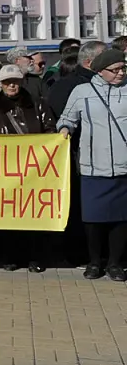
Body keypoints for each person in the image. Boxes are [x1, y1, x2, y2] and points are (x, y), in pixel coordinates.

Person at [59, 49, 127, 281]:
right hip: (92, 166)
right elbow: (67, 118)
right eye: (115, 69)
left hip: (124, 166)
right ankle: (95, 262)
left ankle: (116, 263)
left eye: (123, 68)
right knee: (93, 219)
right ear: (100, 70)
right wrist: (65, 130)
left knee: (121, 218)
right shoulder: (82, 91)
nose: (121, 73)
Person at [0, 64, 55, 273]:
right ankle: (11, 256)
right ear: (0, 84)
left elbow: (50, 131)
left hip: (34, 169)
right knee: (8, 214)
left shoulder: (38, 105)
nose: (12, 85)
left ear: (22, 82)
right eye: (7, 82)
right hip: (4, 171)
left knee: (34, 214)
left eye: (16, 81)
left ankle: (36, 256)